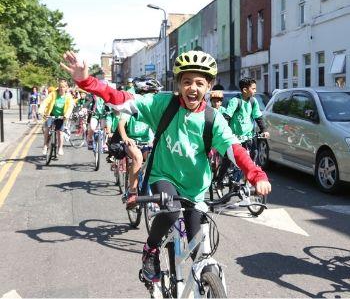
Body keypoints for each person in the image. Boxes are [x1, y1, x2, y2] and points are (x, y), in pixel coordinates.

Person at [61, 50, 271, 283]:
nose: (193, 88)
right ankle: (150, 250)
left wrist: (256, 175)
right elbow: (121, 98)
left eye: (200, 83)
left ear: (209, 86)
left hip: (195, 187)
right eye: (187, 81)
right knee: (171, 211)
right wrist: (86, 81)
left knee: (198, 249)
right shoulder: (163, 105)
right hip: (164, 175)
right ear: (179, 84)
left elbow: (235, 150)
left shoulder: (213, 119)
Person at [117, 77, 161, 210]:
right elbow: (121, 123)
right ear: (143, 93)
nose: (155, 96)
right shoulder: (133, 105)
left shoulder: (153, 108)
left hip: (147, 142)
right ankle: (132, 191)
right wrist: (125, 137)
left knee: (158, 161)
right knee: (137, 158)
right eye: (153, 93)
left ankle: (154, 191)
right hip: (132, 141)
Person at [216, 77, 270, 184]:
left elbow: (258, 117)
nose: (255, 91)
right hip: (235, 138)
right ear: (245, 90)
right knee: (228, 160)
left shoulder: (253, 102)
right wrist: (224, 133)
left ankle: (244, 179)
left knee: (253, 155)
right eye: (253, 89)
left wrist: (264, 129)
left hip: (248, 137)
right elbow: (226, 117)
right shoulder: (235, 101)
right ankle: (219, 181)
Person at [38, 78, 74, 156]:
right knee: (47, 128)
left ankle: (60, 148)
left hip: (62, 116)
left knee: (60, 132)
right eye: (60, 87)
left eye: (63, 87)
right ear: (58, 87)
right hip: (51, 114)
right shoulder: (53, 94)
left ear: (66, 88)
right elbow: (45, 102)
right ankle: (45, 145)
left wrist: (66, 116)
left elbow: (70, 106)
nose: (62, 88)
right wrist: (41, 111)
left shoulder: (68, 96)